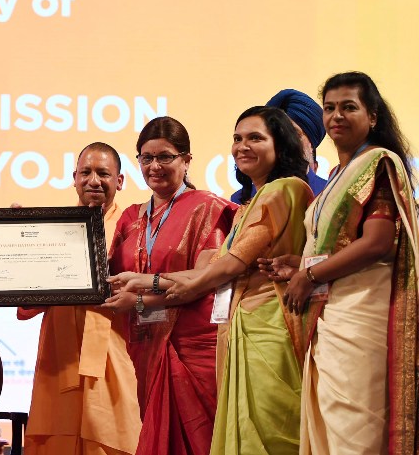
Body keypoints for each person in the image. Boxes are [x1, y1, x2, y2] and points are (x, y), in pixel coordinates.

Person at [156, 106, 312, 454]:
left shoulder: (285, 189)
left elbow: (232, 264)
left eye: (256, 137)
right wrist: (146, 281)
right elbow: (212, 265)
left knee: (272, 434)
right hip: (242, 327)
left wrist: (186, 286)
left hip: (270, 330)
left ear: (281, 145)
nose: (243, 146)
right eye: (237, 138)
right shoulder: (249, 202)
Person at [278, 72, 419, 455]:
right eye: (329, 108)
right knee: (330, 428)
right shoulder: (339, 174)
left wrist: (310, 274)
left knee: (355, 432)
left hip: (362, 317)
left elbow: (376, 243)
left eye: (348, 107)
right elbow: (342, 244)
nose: (336, 116)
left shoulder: (377, 162)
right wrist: (299, 262)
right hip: (333, 314)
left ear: (372, 116)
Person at [103, 117, 235, 455]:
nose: (155, 166)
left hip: (192, 349)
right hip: (141, 349)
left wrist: (139, 301)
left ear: (186, 160)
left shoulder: (208, 208)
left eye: (166, 157)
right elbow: (105, 276)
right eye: (146, 158)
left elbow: (205, 281)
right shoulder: (132, 217)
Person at [19, 142, 142, 455]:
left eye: (103, 173)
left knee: (113, 435)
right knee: (55, 436)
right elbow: (29, 294)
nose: (94, 180)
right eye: (85, 172)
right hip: (59, 354)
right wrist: (19, 238)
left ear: (120, 181)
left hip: (115, 350)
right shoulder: (51, 227)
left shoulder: (136, 227)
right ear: (74, 177)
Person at [231, 89, 326, 202]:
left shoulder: (329, 194)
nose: (285, 140)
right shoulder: (239, 199)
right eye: (237, 139)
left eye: (293, 133)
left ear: (311, 145)